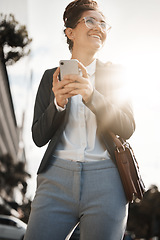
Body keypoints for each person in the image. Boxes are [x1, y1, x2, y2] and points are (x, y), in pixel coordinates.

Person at [24, 0, 135, 239]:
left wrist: (91, 95)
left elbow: (127, 126)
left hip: (107, 181)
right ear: (70, 32)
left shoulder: (117, 75)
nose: (99, 27)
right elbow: (38, 137)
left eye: (104, 23)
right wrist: (58, 104)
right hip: (56, 180)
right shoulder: (49, 78)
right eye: (90, 20)